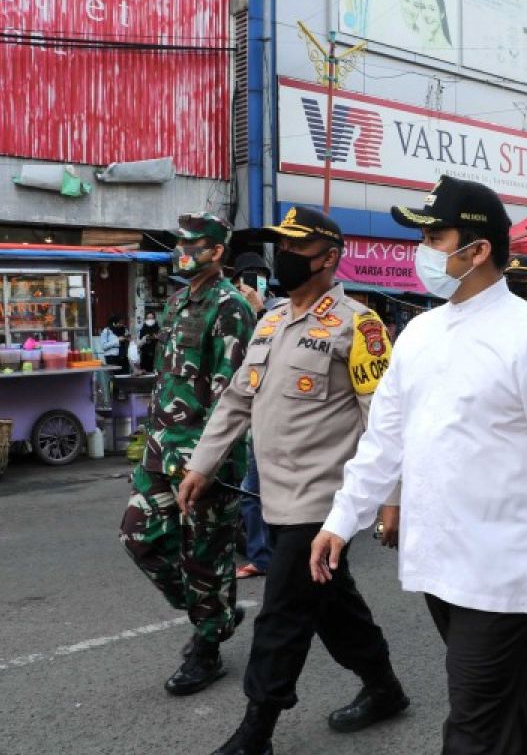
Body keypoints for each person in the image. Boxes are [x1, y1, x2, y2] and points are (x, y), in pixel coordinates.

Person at [308, 175, 527, 755]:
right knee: (501, 702)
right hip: (439, 557)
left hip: (504, 564)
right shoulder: (419, 333)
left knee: (471, 725)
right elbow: (383, 442)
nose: (422, 249)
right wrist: (341, 520)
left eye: (434, 235)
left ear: (478, 249)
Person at [176, 207, 408, 755]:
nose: (284, 258)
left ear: (328, 258)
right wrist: (202, 463)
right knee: (332, 605)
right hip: (273, 498)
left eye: (296, 248)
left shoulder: (359, 325)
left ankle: (257, 730)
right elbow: (237, 398)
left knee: (281, 613)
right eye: (281, 246)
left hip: (323, 505)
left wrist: (392, 499)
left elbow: (387, 422)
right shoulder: (272, 320)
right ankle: (384, 688)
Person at [118, 213, 255, 696]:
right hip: (160, 451)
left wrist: (210, 461)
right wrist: (145, 443)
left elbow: (232, 393)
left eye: (194, 243)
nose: (183, 250)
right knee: (139, 538)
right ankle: (214, 613)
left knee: (205, 556)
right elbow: (165, 380)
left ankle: (207, 645)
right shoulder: (177, 303)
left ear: (217, 251)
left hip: (203, 459)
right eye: (180, 242)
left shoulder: (232, 307)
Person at [228, 251, 277, 579]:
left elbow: (275, 353)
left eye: (260, 275)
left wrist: (259, 310)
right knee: (249, 491)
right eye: (249, 276)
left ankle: (267, 556)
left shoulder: (278, 309)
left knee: (256, 490)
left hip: (276, 416)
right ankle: (263, 554)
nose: (254, 282)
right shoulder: (229, 308)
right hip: (246, 409)